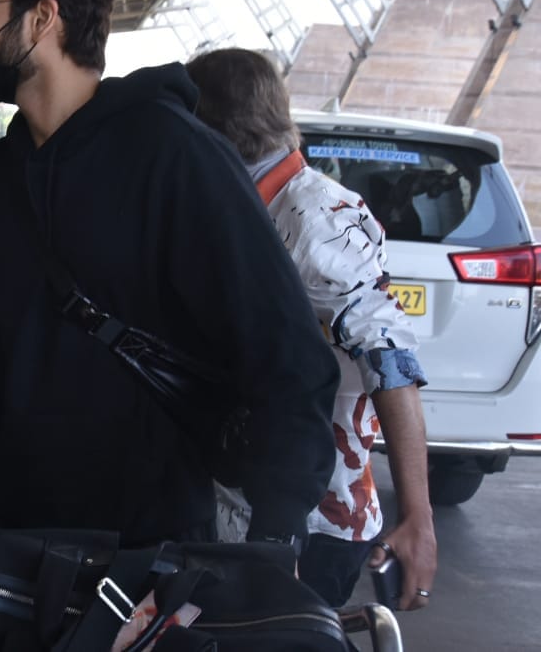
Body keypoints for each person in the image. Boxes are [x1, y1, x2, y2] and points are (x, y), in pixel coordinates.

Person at [0, 0, 339, 580]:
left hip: (152, 552)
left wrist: (273, 538)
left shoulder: (176, 155)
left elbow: (285, 352)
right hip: (9, 544)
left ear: (43, 18)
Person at [187, 47, 438, 611]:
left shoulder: (314, 220)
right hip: (250, 515)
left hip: (307, 531)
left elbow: (388, 355)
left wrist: (418, 519)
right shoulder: (259, 206)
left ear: (210, 128)